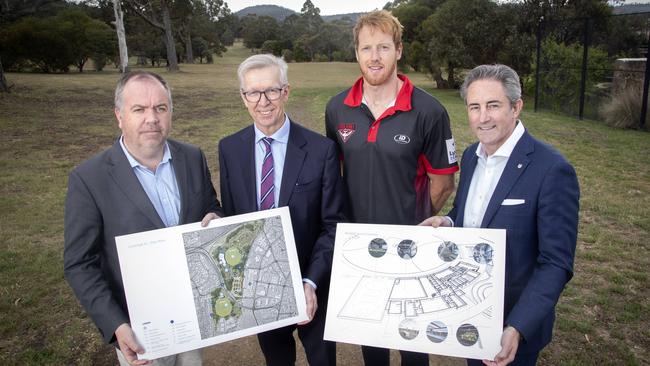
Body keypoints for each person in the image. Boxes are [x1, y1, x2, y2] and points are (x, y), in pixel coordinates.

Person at [420, 64, 580, 366]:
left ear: (516, 107)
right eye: (474, 107)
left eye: (493, 105)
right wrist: (448, 221)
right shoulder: (471, 156)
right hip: (470, 312)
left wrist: (517, 326)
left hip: (513, 323)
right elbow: (469, 212)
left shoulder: (552, 170)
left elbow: (556, 262)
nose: (483, 117)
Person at [324, 10, 458, 366]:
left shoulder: (429, 111)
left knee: (413, 338)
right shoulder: (336, 108)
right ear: (356, 53)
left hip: (410, 247)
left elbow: (444, 182)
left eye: (383, 47)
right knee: (373, 338)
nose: (374, 57)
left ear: (399, 50)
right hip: (359, 247)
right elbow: (334, 173)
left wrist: (412, 220)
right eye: (366, 48)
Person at [64, 71, 222, 366]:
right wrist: (115, 324)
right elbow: (79, 263)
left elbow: (211, 205)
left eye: (160, 108)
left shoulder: (192, 157)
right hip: (139, 331)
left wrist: (216, 216)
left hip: (192, 316)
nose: (152, 118)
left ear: (170, 112)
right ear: (119, 115)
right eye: (139, 109)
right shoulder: (89, 179)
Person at [218, 54, 345, 366]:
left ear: (286, 92)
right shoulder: (229, 149)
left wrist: (311, 281)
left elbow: (333, 225)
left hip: (313, 281)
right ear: (243, 97)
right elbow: (234, 219)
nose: (263, 101)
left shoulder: (321, 150)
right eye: (253, 93)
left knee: (323, 360)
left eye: (271, 91)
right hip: (261, 288)